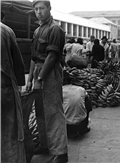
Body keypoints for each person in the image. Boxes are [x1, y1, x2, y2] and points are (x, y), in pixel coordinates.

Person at [26, 0, 68, 162]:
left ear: (49, 9)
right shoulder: (37, 30)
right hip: (37, 70)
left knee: (53, 111)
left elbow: (51, 56)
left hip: (49, 72)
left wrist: (40, 78)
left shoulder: (55, 29)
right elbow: (33, 57)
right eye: (36, 9)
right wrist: (30, 78)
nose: (38, 12)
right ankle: (45, 145)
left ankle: (61, 152)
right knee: (40, 111)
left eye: (41, 8)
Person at [0, 10, 26, 163]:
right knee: (9, 130)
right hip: (4, 86)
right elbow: (18, 62)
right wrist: (21, 84)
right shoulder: (7, 31)